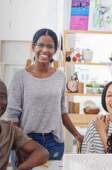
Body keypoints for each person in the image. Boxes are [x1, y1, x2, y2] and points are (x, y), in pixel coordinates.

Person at [7, 28, 83, 160]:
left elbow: (62, 111)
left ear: (55, 50)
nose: (45, 50)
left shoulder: (60, 76)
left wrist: (76, 135)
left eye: (50, 46)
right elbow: (13, 116)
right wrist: (18, 145)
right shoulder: (20, 77)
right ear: (33, 47)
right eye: (41, 45)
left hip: (54, 142)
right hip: (27, 141)